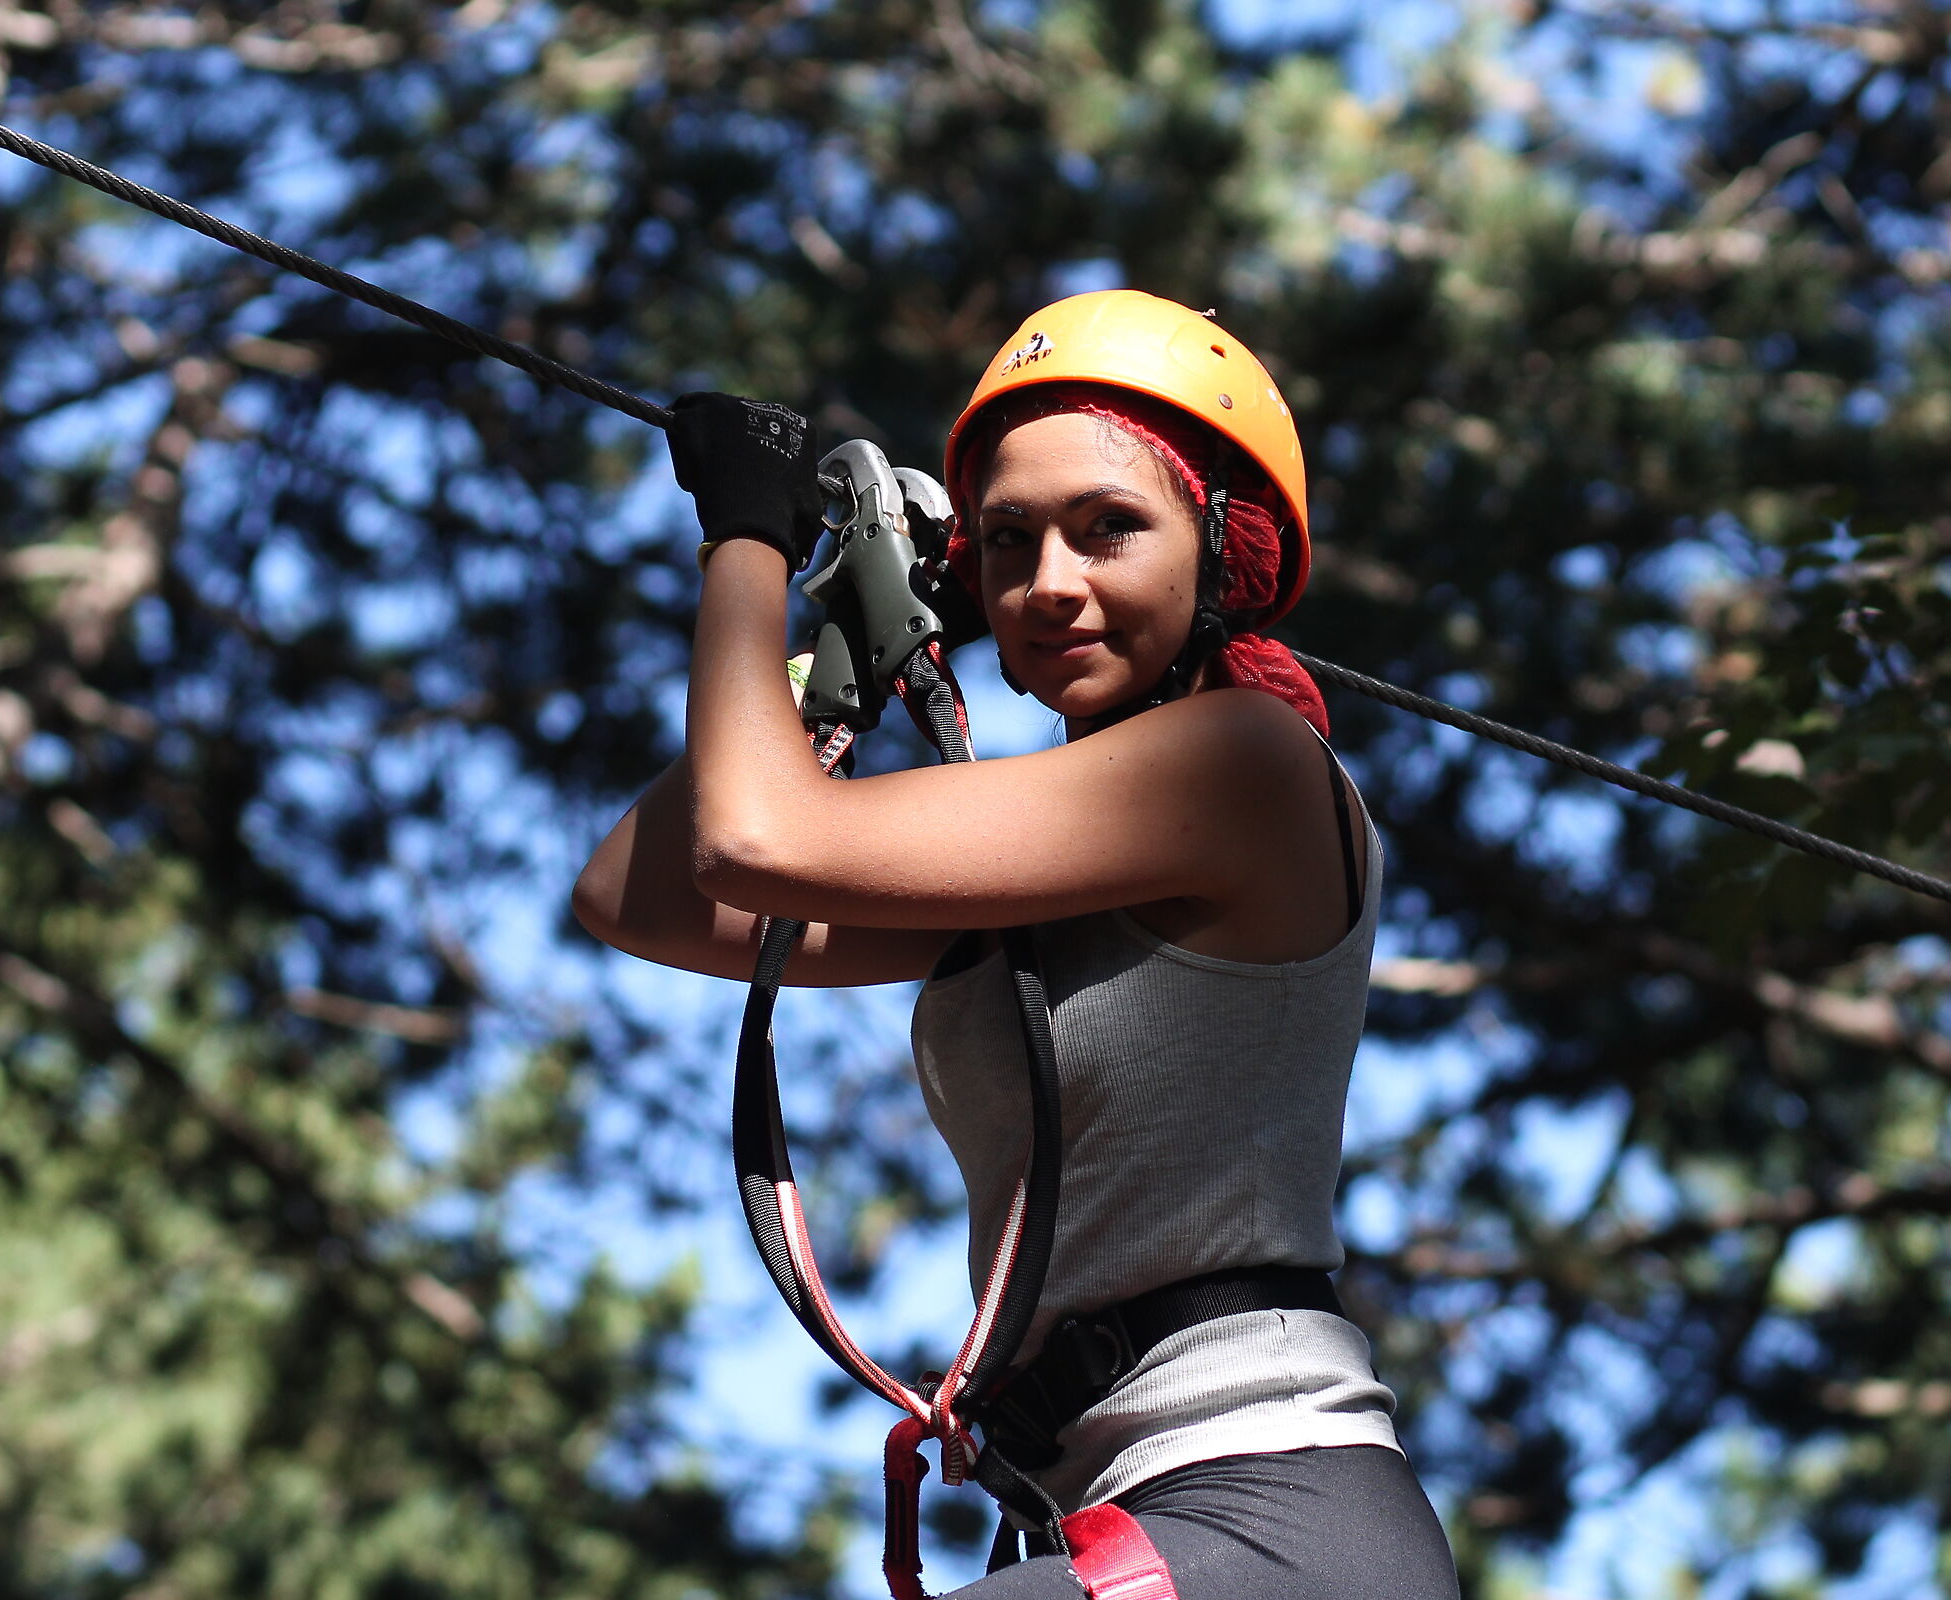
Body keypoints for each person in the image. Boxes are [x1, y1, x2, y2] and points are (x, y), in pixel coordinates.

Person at [573, 291, 1461, 1598]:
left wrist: (746, 542)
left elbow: (752, 838)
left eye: (1109, 529)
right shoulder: (1028, 871)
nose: (1050, 582)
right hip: (1125, 1509)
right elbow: (637, 893)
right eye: (1008, 541)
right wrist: (839, 655)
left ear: (1223, 550)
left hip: (1265, 1506)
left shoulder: (1249, 764)